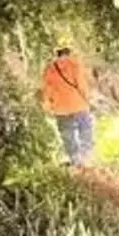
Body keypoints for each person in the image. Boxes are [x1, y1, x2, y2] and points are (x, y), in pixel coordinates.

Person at [39, 37, 95, 170]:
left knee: (68, 136)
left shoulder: (49, 69)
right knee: (85, 131)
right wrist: (88, 99)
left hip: (61, 109)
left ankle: (76, 161)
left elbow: (46, 90)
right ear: (69, 51)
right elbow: (81, 84)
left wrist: (48, 106)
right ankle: (85, 157)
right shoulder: (75, 64)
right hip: (79, 105)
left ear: (56, 53)